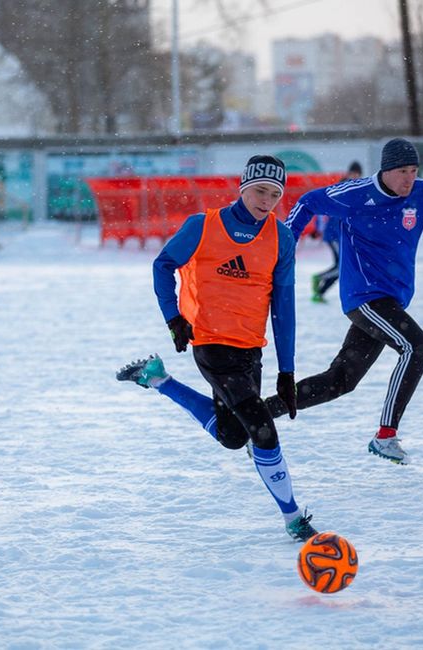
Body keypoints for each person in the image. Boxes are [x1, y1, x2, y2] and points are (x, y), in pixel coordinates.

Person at [116, 155, 319, 542]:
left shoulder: (281, 238)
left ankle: (158, 380)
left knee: (232, 435)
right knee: (262, 430)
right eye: (260, 190)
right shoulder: (202, 227)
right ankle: (293, 517)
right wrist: (174, 318)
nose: (267, 200)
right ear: (243, 188)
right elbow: (163, 265)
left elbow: (284, 308)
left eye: (275, 194)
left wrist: (287, 371)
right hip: (210, 343)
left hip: (249, 348)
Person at [265, 139, 423, 465]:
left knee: (340, 381)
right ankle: (386, 436)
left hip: (393, 299)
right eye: (403, 171)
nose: (410, 178)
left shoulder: (421, 194)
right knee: (417, 347)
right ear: (386, 170)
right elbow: (308, 201)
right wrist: (284, 244)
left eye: (414, 171)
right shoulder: (356, 194)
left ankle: (261, 413)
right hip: (364, 297)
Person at [310, 160, 363, 303]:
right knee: (341, 266)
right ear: (349, 173)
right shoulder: (342, 187)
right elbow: (323, 207)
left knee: (341, 266)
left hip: (342, 235)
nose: (355, 177)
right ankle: (319, 280)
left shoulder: (357, 189)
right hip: (334, 234)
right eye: (354, 173)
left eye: (358, 174)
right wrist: (318, 229)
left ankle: (320, 292)